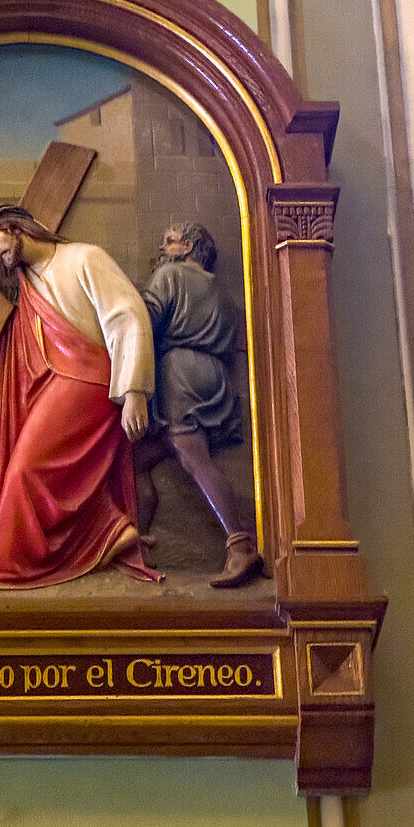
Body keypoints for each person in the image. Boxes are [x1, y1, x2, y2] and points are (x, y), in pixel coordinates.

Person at [0, 204, 159, 596]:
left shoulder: (83, 258)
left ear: (15, 226)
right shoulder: (26, 282)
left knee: (25, 469)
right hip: (55, 383)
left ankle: (3, 569)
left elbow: (127, 317)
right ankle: (110, 531)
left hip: (88, 382)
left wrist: (133, 391)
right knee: (29, 466)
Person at [139, 222, 262, 587]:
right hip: (215, 378)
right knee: (135, 460)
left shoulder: (169, 274)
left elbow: (146, 318)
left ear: (188, 245)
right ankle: (134, 544)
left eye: (169, 240)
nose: (163, 247)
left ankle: (240, 547)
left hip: (180, 374)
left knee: (194, 460)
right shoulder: (223, 294)